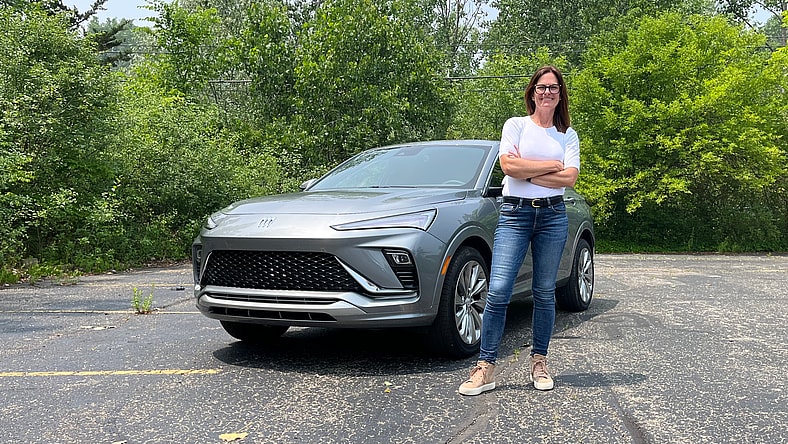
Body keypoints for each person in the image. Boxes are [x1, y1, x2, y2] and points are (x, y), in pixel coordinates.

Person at [458, 65, 580, 395]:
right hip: (514, 215)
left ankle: (539, 361)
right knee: (497, 290)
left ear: (560, 94)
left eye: (553, 88)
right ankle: (486, 367)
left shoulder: (566, 134)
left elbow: (569, 179)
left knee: (543, 291)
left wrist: (529, 173)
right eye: (541, 87)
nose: (547, 93)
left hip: (553, 216)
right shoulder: (516, 126)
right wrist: (550, 166)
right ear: (532, 92)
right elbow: (508, 167)